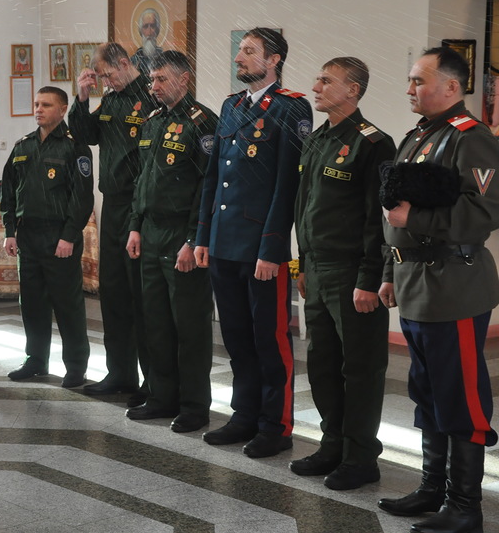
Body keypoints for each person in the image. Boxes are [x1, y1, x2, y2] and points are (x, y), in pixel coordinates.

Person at [378, 47, 499, 532]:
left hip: (453, 285)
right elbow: (393, 210)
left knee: (461, 397)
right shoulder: (419, 136)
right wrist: (389, 272)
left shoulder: (472, 139)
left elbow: (485, 212)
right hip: (416, 283)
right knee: (427, 392)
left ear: (451, 86)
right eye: (410, 80)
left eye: (418, 81)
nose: (409, 89)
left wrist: (418, 218)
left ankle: (465, 506)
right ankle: (432, 489)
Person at [194, 27, 312, 458]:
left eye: (249, 51)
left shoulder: (291, 107)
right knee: (236, 338)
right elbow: (213, 178)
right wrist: (204, 236)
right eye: (240, 50)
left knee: (270, 341)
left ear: (274, 59)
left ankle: (275, 426)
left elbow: (287, 185)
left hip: (261, 247)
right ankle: (243, 415)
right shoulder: (231, 106)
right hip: (224, 242)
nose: (239, 57)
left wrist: (272, 247)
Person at [289, 57, 395, 490]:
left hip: (352, 272)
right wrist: (301, 264)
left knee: (361, 368)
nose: (316, 87)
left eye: (326, 80)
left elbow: (377, 219)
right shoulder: (316, 140)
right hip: (316, 269)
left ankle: (361, 456)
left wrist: (370, 278)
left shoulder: (374, 143)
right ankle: (332, 444)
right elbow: (303, 207)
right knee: (322, 365)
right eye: (318, 79)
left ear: (353, 89)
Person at [124, 50, 216, 431]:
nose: (154, 87)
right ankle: (162, 397)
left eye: (161, 79)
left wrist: (193, 239)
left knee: (189, 326)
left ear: (184, 79)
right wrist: (135, 225)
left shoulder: (202, 123)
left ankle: (194, 406)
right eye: (152, 80)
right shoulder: (152, 122)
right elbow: (142, 179)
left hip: (182, 235)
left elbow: (207, 187)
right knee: (156, 323)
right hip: (150, 232)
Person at [69, 42, 159, 405]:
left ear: (123, 63)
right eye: (101, 77)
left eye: (107, 75)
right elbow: (86, 135)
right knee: (114, 292)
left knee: (141, 296)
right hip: (114, 205)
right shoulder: (111, 99)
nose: (105, 82)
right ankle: (120, 373)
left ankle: (151, 380)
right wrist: (82, 98)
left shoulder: (150, 97)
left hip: (140, 206)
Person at [1, 86, 93, 388]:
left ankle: (76, 367)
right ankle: (36, 361)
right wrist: (10, 232)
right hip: (28, 236)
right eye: (36, 104)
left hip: (59, 237)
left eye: (46, 105)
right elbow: (8, 192)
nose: (38, 109)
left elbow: (82, 197)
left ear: (63, 109)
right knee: (32, 304)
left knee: (67, 305)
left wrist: (69, 236)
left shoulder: (75, 146)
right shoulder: (23, 145)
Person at [129, 8, 164, 79]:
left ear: (157, 30)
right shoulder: (134, 60)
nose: (149, 32)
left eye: (152, 26)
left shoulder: (164, 58)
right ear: (141, 30)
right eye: (145, 26)